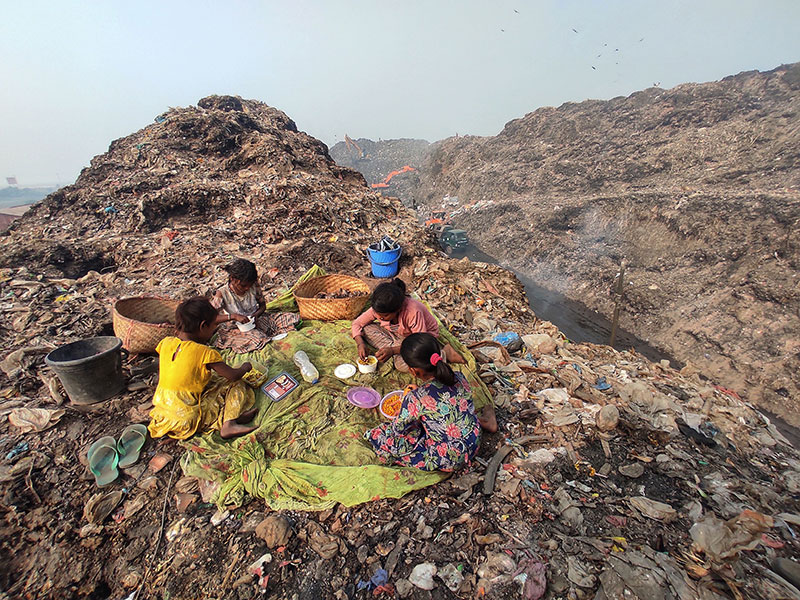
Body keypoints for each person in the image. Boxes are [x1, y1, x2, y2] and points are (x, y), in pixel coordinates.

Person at [365, 333, 482, 471]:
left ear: (413, 371)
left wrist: (406, 405)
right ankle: (485, 421)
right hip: (474, 440)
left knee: (383, 436)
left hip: (452, 458)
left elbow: (398, 428)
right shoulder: (459, 376)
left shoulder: (416, 398)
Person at [148, 297, 258, 440]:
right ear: (203, 326)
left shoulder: (165, 343)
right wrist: (245, 367)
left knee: (211, 380)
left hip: (162, 416)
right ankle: (229, 424)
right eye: (213, 326)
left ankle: (232, 416)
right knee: (236, 384)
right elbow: (233, 376)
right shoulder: (205, 353)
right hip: (186, 419)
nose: (214, 330)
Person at [352, 278, 460, 372]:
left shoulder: (413, 311)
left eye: (385, 316)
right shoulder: (380, 308)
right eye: (377, 314)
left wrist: (393, 351)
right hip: (398, 335)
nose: (380, 318)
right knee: (366, 329)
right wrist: (360, 344)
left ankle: (444, 353)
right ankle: (397, 348)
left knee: (403, 365)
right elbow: (357, 324)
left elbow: (420, 342)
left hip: (421, 339)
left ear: (398, 309)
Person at [211, 258, 300, 353]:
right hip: (237, 328)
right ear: (232, 279)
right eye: (243, 285)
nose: (247, 288)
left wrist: (257, 314)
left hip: (257, 320)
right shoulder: (222, 293)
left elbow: (263, 305)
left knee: (290, 318)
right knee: (257, 339)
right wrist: (234, 316)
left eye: (249, 285)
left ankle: (267, 335)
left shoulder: (253, 286)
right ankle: (264, 337)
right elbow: (212, 318)